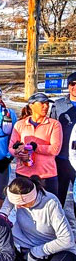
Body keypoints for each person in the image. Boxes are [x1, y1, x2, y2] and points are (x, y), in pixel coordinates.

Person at [9, 93, 62, 197]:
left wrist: (35, 147)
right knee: (24, 208)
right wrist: (18, 153)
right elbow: (11, 147)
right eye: (42, 103)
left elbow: (55, 149)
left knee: (48, 208)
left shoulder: (54, 124)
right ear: (31, 105)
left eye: (47, 104)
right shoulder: (20, 124)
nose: (46, 106)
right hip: (24, 174)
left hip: (46, 175)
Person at [50, 71, 76, 205]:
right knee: (59, 196)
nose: (75, 87)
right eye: (72, 84)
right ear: (68, 86)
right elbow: (50, 127)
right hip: (62, 158)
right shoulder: (58, 105)